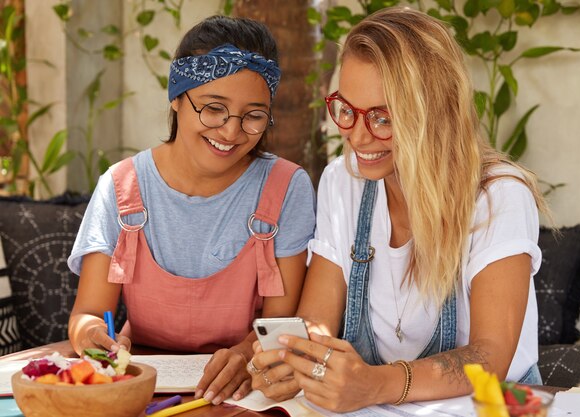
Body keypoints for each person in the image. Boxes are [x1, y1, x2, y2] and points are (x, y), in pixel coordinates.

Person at [246, 7, 550, 412]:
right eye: (346, 110)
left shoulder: (498, 196)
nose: (356, 135)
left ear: (434, 111)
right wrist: (291, 361)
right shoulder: (344, 181)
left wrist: (375, 384)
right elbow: (314, 326)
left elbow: (489, 357)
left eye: (382, 117)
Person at [67, 15, 316, 405]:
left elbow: (278, 327)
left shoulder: (286, 188)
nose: (231, 132)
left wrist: (246, 353)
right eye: (213, 108)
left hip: (244, 388)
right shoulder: (121, 186)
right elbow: (89, 313)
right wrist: (93, 338)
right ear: (177, 97)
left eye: (253, 116)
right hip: (139, 383)